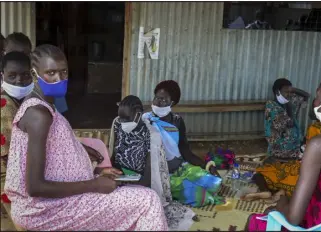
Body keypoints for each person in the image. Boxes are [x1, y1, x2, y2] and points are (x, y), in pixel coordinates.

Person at [4, 44, 168, 231]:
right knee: (148, 201)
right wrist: (94, 185)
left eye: (64, 72)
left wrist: (90, 164)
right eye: (51, 73)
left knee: (133, 194)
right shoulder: (38, 114)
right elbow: (35, 187)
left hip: (55, 201)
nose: (60, 79)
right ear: (34, 75)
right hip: (43, 210)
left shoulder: (44, 105)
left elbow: (54, 151)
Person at [245, 72, 321, 231]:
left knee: (256, 219)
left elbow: (293, 217)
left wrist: (282, 204)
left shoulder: (319, 145)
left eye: (318, 97)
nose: (314, 102)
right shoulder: (274, 106)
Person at [111, 95, 196, 231]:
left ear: (138, 114)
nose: (123, 122)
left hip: (141, 182)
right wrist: (114, 176)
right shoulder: (117, 124)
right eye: (121, 118)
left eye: (126, 119)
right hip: (120, 176)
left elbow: (152, 176)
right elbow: (114, 153)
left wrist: (129, 184)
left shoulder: (152, 135)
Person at [142, 80, 223, 207]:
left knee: (215, 183)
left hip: (180, 168)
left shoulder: (177, 121)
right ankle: (174, 189)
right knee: (201, 197)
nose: (158, 102)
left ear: (172, 102)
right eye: (156, 98)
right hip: (160, 175)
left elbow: (185, 151)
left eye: (163, 100)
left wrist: (206, 166)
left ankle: (182, 185)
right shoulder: (145, 120)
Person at [243, 78, 310, 202]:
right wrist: (290, 104)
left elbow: (307, 95)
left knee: (297, 179)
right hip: (278, 154)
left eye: (290, 92)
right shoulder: (271, 106)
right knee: (260, 174)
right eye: (285, 92)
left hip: (293, 156)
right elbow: (286, 123)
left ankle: (272, 191)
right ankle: (268, 191)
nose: (289, 95)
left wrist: (292, 90)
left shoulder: (288, 104)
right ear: (277, 92)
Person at [1, 52, 34, 190]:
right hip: (8, 176)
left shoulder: (26, 100)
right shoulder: (5, 105)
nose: (19, 80)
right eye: (12, 76)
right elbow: (7, 156)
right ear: (2, 76)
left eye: (25, 75)